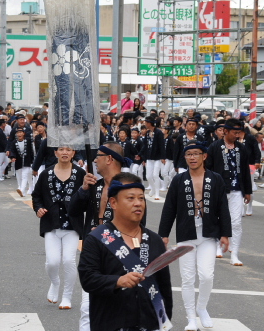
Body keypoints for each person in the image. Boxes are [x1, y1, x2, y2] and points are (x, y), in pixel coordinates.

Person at [77, 177, 173, 331]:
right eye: (130, 198)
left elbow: (164, 287)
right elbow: (88, 278)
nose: (138, 203)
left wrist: (164, 321)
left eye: (141, 198)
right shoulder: (96, 239)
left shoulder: (155, 240)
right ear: (113, 203)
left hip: (149, 324)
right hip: (110, 324)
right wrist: (118, 281)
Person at [159, 140, 231, 331]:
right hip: (186, 234)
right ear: (185, 157)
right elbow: (169, 208)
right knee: (187, 278)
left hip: (208, 234)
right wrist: (163, 234)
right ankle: (191, 317)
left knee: (206, 275)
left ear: (204, 156)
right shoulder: (179, 180)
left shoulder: (215, 179)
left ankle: (202, 307)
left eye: (196, 154)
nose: (192, 158)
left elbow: (223, 208)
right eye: (189, 155)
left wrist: (225, 234)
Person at [68, 142, 136, 331]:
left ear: (109, 159)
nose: (94, 160)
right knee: (86, 308)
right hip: (93, 253)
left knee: (118, 308)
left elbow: (138, 226)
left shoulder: (130, 189)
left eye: (98, 156)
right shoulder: (94, 186)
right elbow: (73, 211)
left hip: (119, 255)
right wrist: (83, 189)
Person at [32, 145, 85, 309]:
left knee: (69, 260)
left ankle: (67, 297)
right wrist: (38, 208)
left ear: (73, 153)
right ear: (55, 153)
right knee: (52, 262)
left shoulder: (81, 174)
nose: (65, 152)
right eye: (61, 149)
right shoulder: (46, 173)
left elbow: (87, 198)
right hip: (51, 224)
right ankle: (55, 282)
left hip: (72, 225)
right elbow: (36, 195)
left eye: (68, 150)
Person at [205, 119, 252, 266]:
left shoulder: (241, 148)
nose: (237, 135)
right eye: (234, 132)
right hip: (219, 190)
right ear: (225, 131)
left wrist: (248, 191)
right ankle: (218, 246)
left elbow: (245, 170)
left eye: (239, 132)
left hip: (237, 190)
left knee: (236, 222)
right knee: (218, 220)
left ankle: (234, 254)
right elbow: (208, 169)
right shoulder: (214, 147)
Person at [140, 116, 166, 199]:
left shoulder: (158, 132)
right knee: (148, 176)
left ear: (149, 123)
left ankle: (157, 193)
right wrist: (141, 155)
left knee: (155, 175)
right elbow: (145, 145)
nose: (145, 124)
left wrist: (163, 157)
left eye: (146, 123)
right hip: (149, 157)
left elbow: (162, 145)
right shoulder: (147, 133)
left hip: (157, 157)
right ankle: (153, 188)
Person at [9, 128, 35, 197]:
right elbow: (12, 151)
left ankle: (22, 189)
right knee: (19, 176)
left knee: (25, 175)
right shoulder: (14, 142)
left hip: (27, 161)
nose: (19, 134)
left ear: (24, 133)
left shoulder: (28, 141)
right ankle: (22, 190)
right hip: (18, 162)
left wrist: (32, 160)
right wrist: (13, 157)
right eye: (18, 133)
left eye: (21, 132)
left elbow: (31, 151)